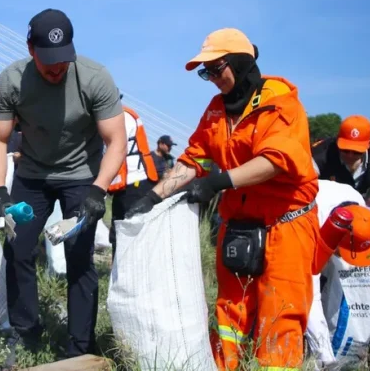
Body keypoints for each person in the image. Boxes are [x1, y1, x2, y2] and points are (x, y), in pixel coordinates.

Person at [126, 28, 320, 370]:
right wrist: (153, 196)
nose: (212, 79)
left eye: (216, 69)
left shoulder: (280, 104)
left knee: (280, 315)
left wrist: (219, 182)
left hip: (285, 226)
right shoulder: (217, 110)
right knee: (231, 312)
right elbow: (193, 159)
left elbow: (276, 161)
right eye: (206, 73)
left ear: (241, 62)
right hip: (239, 225)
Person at [0, 8, 126, 359]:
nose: (57, 68)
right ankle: (26, 335)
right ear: (30, 49)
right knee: (18, 247)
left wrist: (98, 190)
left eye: (63, 59)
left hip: (81, 176)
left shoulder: (95, 78)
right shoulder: (12, 81)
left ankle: (80, 348)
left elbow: (116, 141)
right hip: (32, 175)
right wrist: (0, 191)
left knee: (79, 255)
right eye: (48, 61)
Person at [305, 180, 370, 368]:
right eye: (344, 251)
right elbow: (310, 295)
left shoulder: (357, 202)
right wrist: (326, 358)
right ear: (337, 234)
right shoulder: (311, 218)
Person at [107, 97, 159, 258]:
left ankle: (131, 270)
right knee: (119, 232)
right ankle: (119, 270)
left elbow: (115, 147)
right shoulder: (116, 116)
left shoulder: (122, 117)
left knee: (131, 233)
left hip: (136, 183)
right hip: (126, 185)